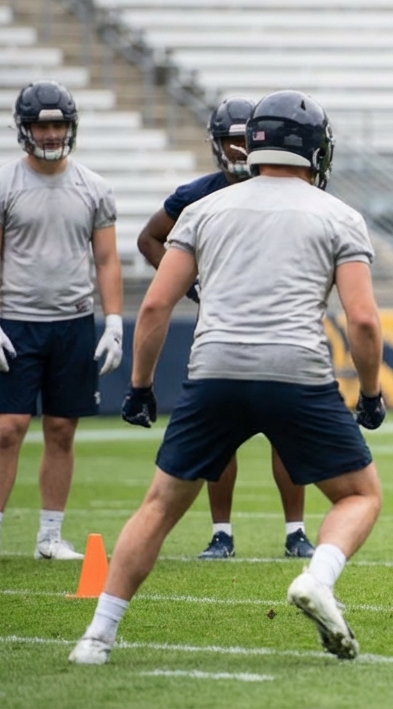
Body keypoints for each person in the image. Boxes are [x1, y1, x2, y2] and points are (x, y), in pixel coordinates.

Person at [69, 90, 388, 665]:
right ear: (315, 152)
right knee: (360, 495)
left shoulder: (202, 211)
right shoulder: (339, 215)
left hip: (214, 366)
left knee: (160, 506)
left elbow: (155, 308)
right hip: (295, 369)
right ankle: (317, 577)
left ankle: (97, 635)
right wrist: (370, 391)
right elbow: (362, 319)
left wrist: (140, 386)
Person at [136, 96, 314, 560]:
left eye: (244, 140)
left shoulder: (281, 192)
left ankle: (296, 530)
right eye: (229, 141)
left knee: (285, 431)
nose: (237, 151)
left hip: (279, 325)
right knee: (221, 435)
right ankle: (222, 531)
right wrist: (190, 282)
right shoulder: (198, 196)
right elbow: (149, 238)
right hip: (221, 327)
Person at [0, 80, 123, 564]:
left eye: (59, 123)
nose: (52, 132)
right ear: (25, 128)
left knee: (61, 429)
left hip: (74, 322)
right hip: (18, 321)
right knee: (8, 428)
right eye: (43, 123)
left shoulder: (94, 187)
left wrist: (115, 322)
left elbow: (106, 261)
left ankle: (49, 537)